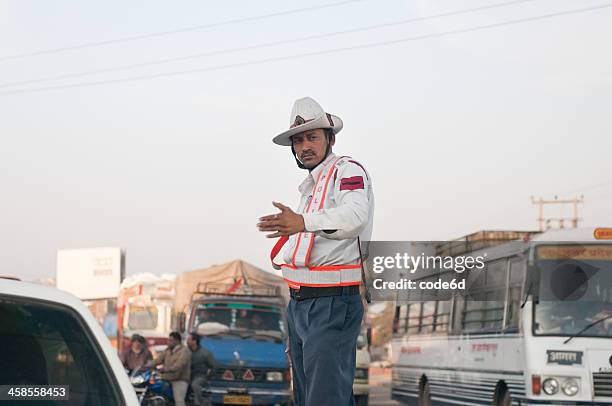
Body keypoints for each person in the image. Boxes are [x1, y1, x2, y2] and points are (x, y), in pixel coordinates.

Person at [258, 97, 374, 406]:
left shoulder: (347, 170)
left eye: (312, 137)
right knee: (312, 398)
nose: (304, 146)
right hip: (302, 304)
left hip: (331, 302)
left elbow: (354, 217)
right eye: (298, 141)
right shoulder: (312, 186)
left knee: (324, 399)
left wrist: (302, 222)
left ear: (330, 139)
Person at [147, 332, 191, 406]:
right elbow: (158, 360)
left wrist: (166, 369)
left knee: (179, 401)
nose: (168, 342)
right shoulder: (168, 350)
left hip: (180, 379)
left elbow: (179, 365)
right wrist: (145, 365)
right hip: (167, 377)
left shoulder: (185, 351)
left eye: (170, 340)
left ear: (177, 341)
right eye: (168, 340)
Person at [187, 333, 215, 406]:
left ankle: (199, 403)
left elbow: (214, 367)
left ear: (194, 341)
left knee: (195, 384)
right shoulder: (186, 351)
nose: (187, 341)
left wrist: (207, 377)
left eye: (189, 339)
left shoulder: (205, 353)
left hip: (200, 376)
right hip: (187, 375)